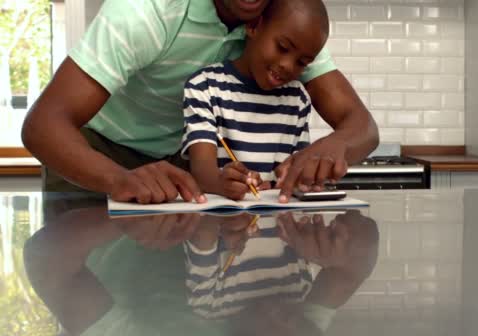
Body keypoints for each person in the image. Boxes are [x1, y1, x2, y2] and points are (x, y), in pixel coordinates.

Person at [21, 0, 379, 204]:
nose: (289, 62)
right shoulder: (146, 10)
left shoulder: (279, 19)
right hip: (96, 156)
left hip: (176, 168)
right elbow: (43, 125)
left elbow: (361, 125)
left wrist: (333, 145)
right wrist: (119, 178)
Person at [182, 0, 328, 202]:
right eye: (282, 47)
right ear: (253, 27)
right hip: (218, 224)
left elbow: (293, 170)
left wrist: (287, 181)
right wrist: (220, 183)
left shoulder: (298, 99)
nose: (287, 65)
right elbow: (201, 171)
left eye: (302, 62)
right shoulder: (204, 86)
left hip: (274, 225)